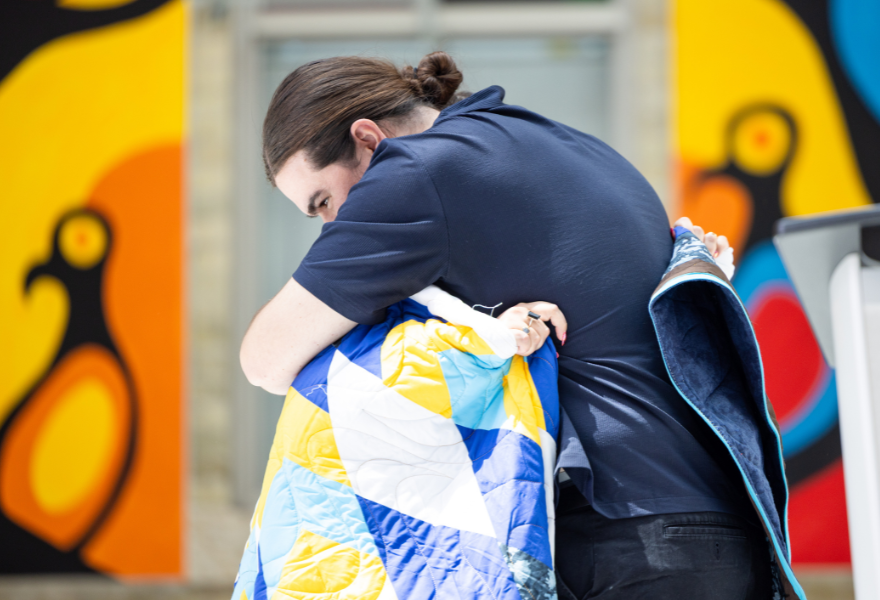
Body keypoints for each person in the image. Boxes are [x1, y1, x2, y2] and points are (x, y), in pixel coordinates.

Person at [240, 52, 772, 599]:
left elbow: (264, 361)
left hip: (618, 539)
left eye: (324, 201)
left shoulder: (414, 174)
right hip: (714, 524)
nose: (334, 225)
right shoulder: (567, 144)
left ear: (368, 138)